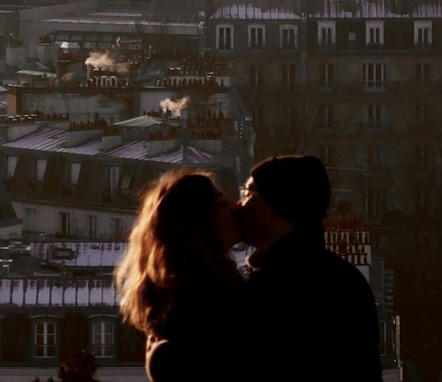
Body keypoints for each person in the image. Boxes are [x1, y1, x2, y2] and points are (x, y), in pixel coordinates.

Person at [239, 154, 383, 382]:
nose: (240, 204)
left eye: (247, 193)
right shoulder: (345, 279)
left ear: (273, 204)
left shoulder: (274, 286)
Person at [116, 170, 245, 382]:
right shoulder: (206, 298)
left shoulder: (183, 292)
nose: (235, 206)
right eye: (221, 204)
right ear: (197, 225)